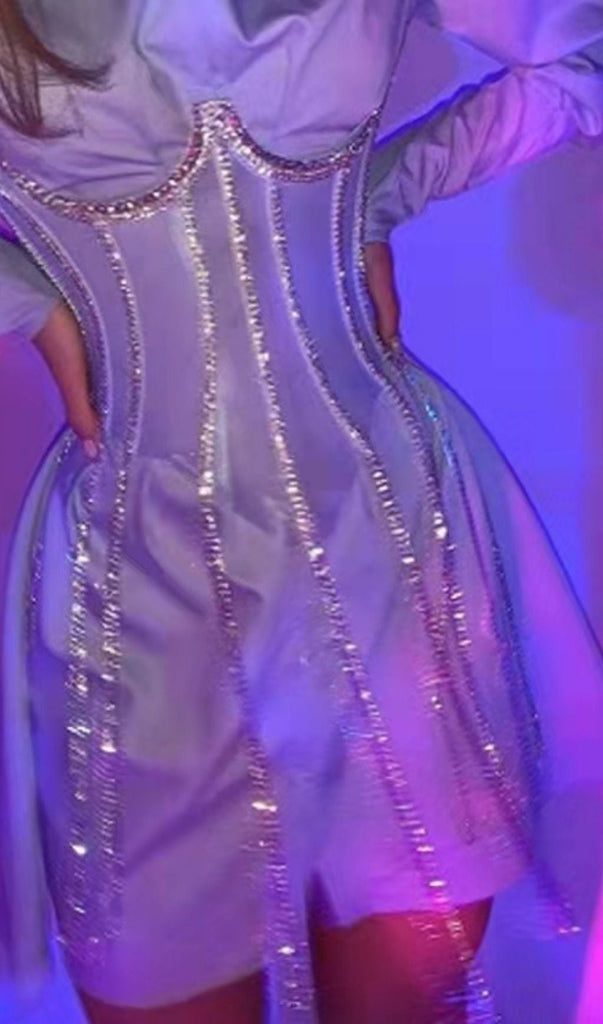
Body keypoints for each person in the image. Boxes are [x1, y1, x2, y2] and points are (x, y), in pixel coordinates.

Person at [1, 2, 603, 1022]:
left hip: (387, 552)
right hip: (141, 590)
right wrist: (24, 295)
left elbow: (580, 53)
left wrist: (383, 190)